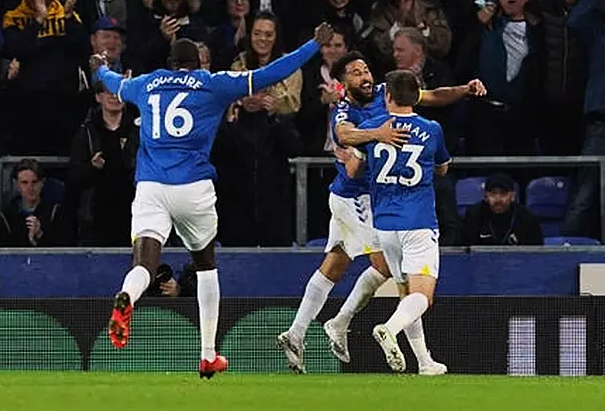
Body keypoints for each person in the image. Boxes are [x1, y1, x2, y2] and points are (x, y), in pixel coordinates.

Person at [90, 22, 335, 379]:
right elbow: (271, 72)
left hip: (151, 186)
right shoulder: (213, 82)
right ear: (197, 65)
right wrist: (313, 44)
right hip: (194, 187)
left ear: (171, 64)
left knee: (144, 261)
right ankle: (208, 354)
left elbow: (112, 83)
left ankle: (128, 295)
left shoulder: (146, 83)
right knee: (205, 265)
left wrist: (99, 66)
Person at [277, 52, 485, 374]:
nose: (365, 76)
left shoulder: (382, 93)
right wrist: (378, 135)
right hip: (355, 198)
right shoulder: (344, 109)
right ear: (341, 83)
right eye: (355, 73)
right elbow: (343, 136)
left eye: (366, 69)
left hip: (369, 198)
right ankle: (343, 323)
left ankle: (296, 332)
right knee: (390, 267)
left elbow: (431, 96)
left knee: (335, 265)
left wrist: (464, 90)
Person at [344, 69, 451, 374]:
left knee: (407, 294)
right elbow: (443, 168)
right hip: (418, 222)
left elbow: (355, 167)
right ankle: (389, 329)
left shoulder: (372, 127)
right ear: (417, 95)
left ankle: (424, 362)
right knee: (422, 296)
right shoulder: (431, 129)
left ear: (387, 96)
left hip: (385, 226)